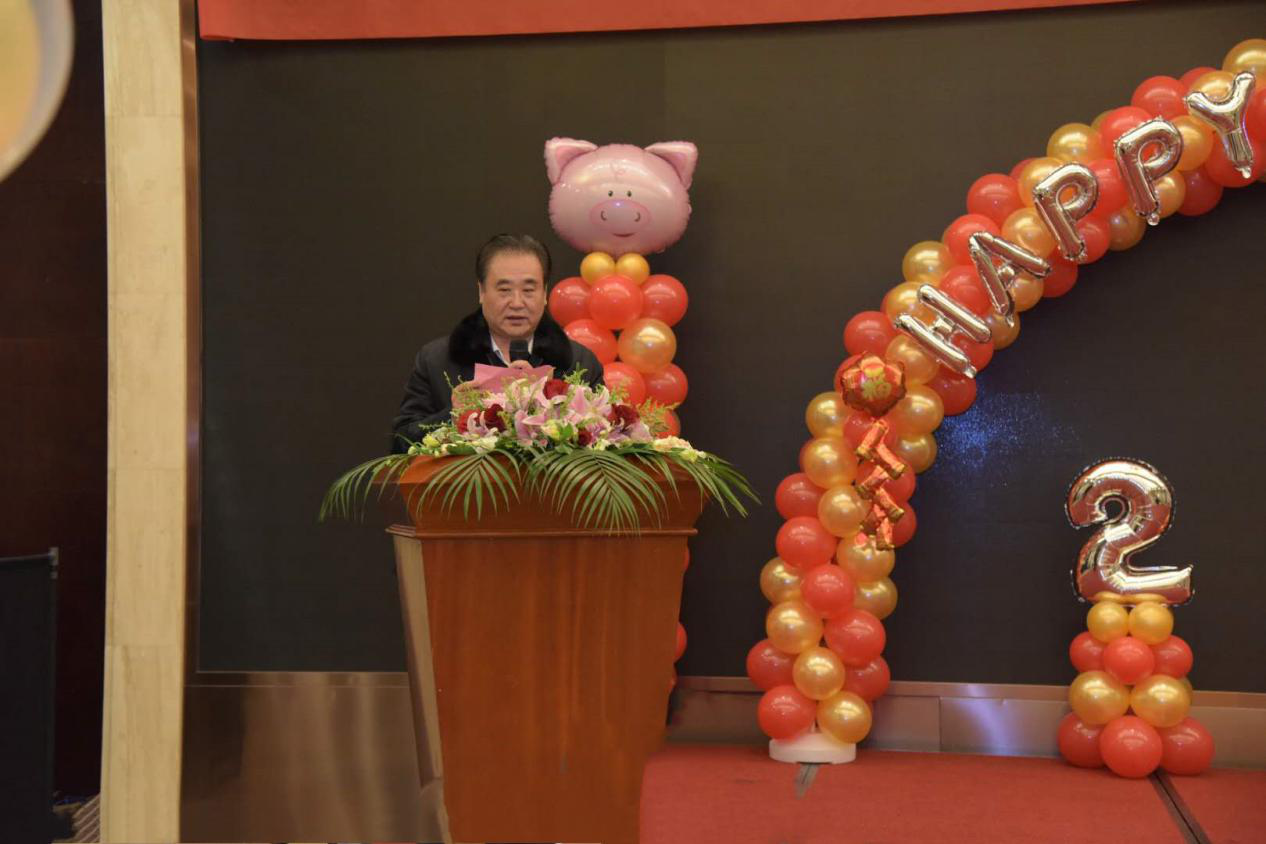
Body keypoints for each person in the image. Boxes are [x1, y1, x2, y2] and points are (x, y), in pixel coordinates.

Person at [391, 233, 605, 451]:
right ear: (481, 291)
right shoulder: (436, 360)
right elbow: (400, 442)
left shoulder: (580, 362)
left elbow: (606, 445)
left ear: (544, 293)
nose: (517, 303)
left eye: (529, 290)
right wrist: (454, 415)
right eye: (504, 290)